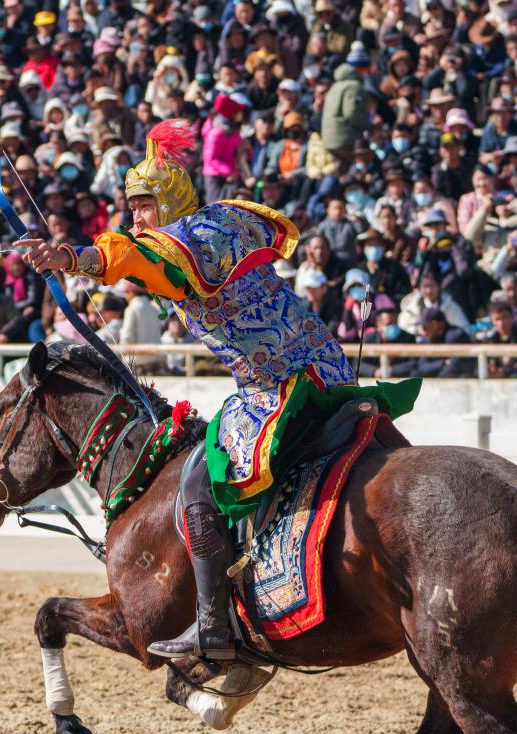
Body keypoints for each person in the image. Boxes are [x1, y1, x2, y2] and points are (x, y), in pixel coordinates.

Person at [22, 121, 416, 663]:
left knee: (200, 478)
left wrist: (70, 259)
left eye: (144, 205)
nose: (135, 218)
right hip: (330, 371)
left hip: (277, 388)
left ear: (168, 200)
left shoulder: (182, 245)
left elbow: (133, 257)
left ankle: (212, 623)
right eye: (131, 208)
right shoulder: (221, 220)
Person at [412, 306, 474, 378]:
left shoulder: (457, 336)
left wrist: (436, 380)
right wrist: (443, 362)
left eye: (424, 327)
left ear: (435, 324)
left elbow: (454, 368)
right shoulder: (427, 340)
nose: (422, 331)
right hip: (432, 381)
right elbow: (421, 368)